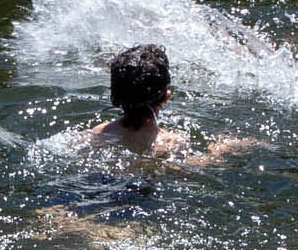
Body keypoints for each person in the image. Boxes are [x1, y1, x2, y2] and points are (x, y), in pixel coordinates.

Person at [86, 44, 257, 167]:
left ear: (114, 96)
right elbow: (192, 166)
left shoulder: (98, 133)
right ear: (166, 95)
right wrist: (220, 150)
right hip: (143, 197)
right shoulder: (171, 142)